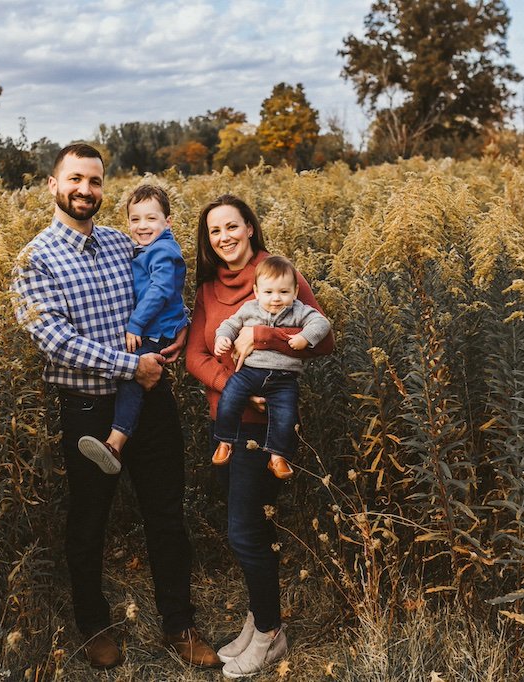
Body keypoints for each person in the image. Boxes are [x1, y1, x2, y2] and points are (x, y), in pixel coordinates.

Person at [11, 143, 219, 670]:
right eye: (75, 179)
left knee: (166, 515)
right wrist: (133, 366)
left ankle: (180, 625)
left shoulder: (121, 242)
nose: (86, 190)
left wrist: (178, 338)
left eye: (96, 181)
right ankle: (94, 626)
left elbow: (164, 290)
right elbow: (54, 340)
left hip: (151, 398)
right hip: (87, 408)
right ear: (53, 186)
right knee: (89, 520)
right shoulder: (35, 259)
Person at [185, 195, 334, 678]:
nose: (224, 237)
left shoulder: (278, 275)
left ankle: (270, 635)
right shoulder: (208, 289)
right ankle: (257, 621)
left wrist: (263, 338)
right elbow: (194, 356)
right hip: (228, 420)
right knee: (249, 528)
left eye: (233, 226)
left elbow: (324, 339)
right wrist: (238, 388)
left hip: (266, 429)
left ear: (250, 228)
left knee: (245, 531)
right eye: (215, 231)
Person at [77, 184, 189, 474]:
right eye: (135, 219)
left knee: (131, 379)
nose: (142, 226)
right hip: (157, 326)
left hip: (155, 331)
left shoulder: (163, 251)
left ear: (168, 222)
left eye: (151, 219)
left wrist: (135, 324)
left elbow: (162, 289)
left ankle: (115, 442)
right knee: (132, 378)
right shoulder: (147, 248)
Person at [212, 255, 331, 480]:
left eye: (283, 292)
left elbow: (322, 323)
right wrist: (222, 339)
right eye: (268, 292)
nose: (276, 299)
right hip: (249, 372)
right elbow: (229, 324)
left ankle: (277, 457)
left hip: (284, 379)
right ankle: (225, 441)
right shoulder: (249, 309)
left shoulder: (299, 310)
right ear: (257, 292)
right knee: (229, 397)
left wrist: (305, 337)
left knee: (286, 415)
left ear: (295, 292)